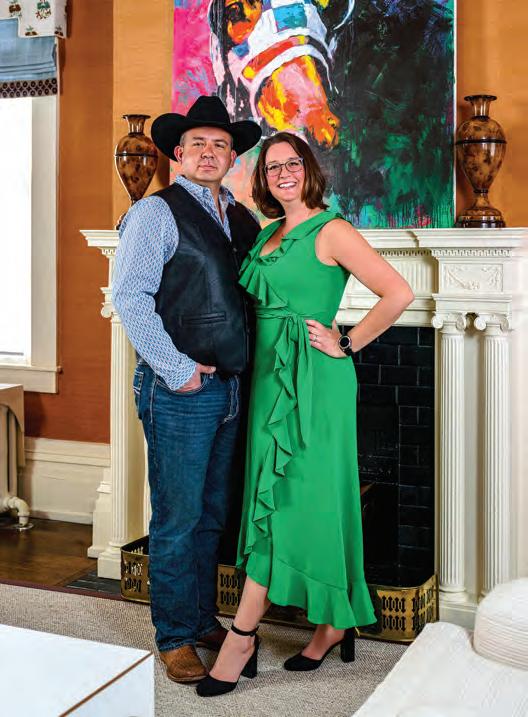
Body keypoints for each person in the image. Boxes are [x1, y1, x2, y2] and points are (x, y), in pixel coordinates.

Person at [197, 131, 415, 697]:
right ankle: (333, 621)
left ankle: (242, 635)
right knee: (279, 499)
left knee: (292, 503)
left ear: (309, 168)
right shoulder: (267, 233)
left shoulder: (333, 230)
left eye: (292, 163)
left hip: (315, 381)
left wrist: (347, 342)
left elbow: (398, 292)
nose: (283, 173)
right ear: (263, 179)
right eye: (272, 167)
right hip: (269, 381)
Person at [112, 96, 261, 684]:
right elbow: (130, 298)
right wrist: (176, 369)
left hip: (230, 387)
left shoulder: (242, 218)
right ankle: (174, 635)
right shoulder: (155, 213)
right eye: (198, 143)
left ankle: (201, 619)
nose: (209, 152)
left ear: (232, 158)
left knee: (210, 517)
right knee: (177, 519)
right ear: (177, 153)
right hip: (179, 388)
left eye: (220, 144)